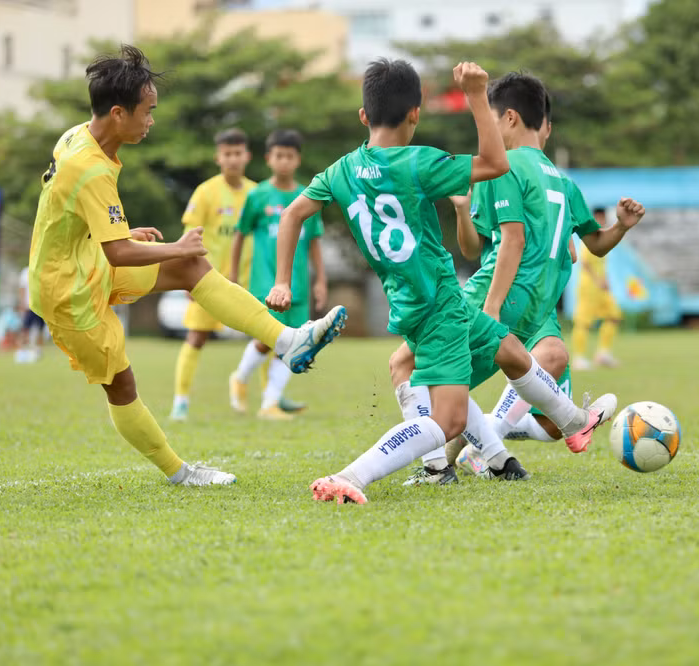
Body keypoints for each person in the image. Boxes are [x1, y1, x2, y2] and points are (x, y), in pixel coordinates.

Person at [266, 59, 615, 504]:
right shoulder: (419, 163)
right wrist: (475, 95)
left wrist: (283, 281)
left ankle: (570, 423)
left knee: (507, 348)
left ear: (363, 116)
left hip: (411, 301)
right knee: (445, 422)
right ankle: (354, 475)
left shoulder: (341, 171)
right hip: (440, 306)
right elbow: (494, 162)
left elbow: (293, 213)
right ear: (416, 113)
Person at [28, 44, 346, 486]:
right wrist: (175, 246)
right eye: (148, 111)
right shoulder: (91, 166)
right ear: (118, 113)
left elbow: (72, 210)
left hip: (87, 258)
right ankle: (179, 473)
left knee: (191, 270)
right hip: (66, 289)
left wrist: (117, 231)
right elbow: (117, 250)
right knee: (121, 384)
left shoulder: (77, 135)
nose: (152, 120)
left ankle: (289, 341)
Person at [228, 129, 326, 420]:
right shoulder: (257, 196)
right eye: (279, 156)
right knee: (267, 339)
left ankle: (269, 402)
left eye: (290, 156)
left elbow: (315, 242)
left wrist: (321, 279)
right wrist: (233, 274)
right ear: (269, 159)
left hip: (298, 284)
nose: (284, 162)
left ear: (298, 160)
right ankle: (240, 377)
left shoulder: (307, 196)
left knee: (294, 344)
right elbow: (239, 235)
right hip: (265, 282)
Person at [170, 128, 256, 421]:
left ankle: (268, 397)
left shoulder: (257, 193)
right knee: (196, 337)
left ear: (247, 156)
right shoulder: (206, 192)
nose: (233, 159)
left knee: (267, 336)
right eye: (227, 154)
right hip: (209, 280)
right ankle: (180, 402)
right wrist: (187, 274)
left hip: (248, 280)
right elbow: (190, 235)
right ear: (218, 157)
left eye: (238, 153)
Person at [571, 206, 624, 370]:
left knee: (614, 316)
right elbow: (585, 263)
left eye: (603, 218)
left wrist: (605, 281)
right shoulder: (589, 237)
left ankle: (603, 354)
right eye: (598, 218)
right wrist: (598, 280)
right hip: (589, 286)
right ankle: (578, 358)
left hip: (601, 287)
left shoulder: (603, 238)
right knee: (584, 321)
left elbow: (602, 264)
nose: (602, 221)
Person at [15, 266, 45, 363]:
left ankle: (38, 351)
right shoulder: (25, 272)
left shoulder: (42, 269)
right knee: (25, 329)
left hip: (40, 306)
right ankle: (21, 352)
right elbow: (22, 289)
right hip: (29, 306)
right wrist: (22, 303)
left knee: (40, 329)